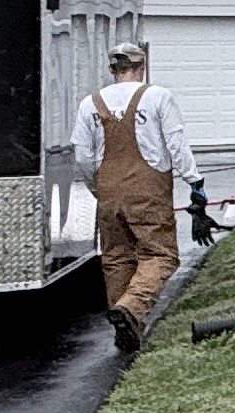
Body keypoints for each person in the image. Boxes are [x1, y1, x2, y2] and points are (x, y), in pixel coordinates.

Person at [75, 44, 189, 352]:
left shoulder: (90, 103)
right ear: (142, 67)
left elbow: (83, 158)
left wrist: (98, 188)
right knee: (160, 255)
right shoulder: (158, 96)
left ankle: (128, 330)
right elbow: (176, 144)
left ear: (112, 70)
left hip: (108, 193)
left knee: (117, 258)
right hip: (147, 192)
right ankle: (131, 307)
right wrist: (195, 181)